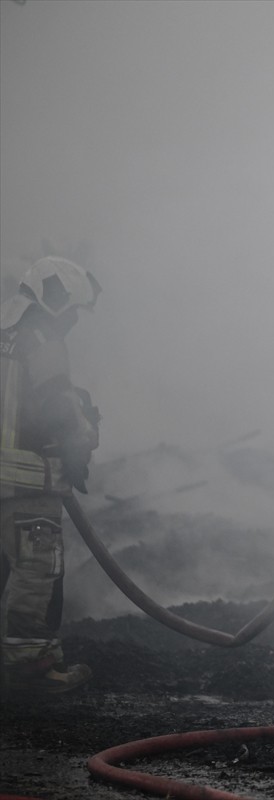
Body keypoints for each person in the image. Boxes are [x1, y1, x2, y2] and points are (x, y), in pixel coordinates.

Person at [0, 256, 101, 694]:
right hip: (28, 481)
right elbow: (58, 410)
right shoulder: (42, 339)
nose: (75, 320)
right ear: (57, 300)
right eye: (74, 310)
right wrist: (85, 434)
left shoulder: (7, 334)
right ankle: (33, 670)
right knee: (37, 569)